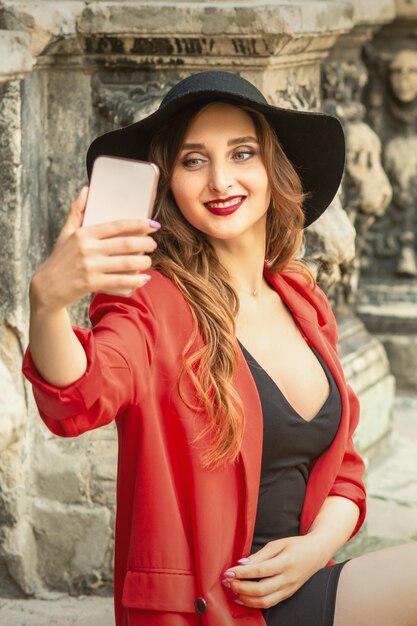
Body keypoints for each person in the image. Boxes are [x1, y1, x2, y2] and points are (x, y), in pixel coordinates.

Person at [23, 72, 417, 626]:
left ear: (270, 167)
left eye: (241, 153)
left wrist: (309, 553)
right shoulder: (152, 304)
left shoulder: (302, 298)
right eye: (193, 160)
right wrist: (47, 303)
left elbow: (346, 469)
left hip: (310, 578)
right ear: (169, 183)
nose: (220, 179)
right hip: (218, 606)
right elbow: (80, 394)